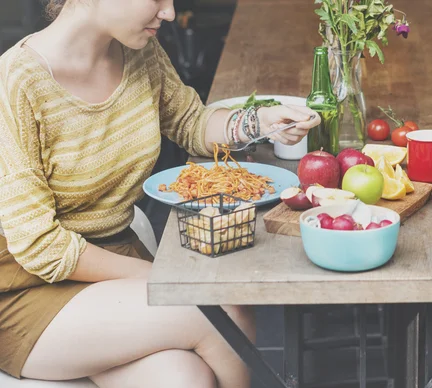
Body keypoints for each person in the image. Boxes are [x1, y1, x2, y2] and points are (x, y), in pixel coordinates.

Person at [0, 0, 320, 387]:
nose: (168, 12)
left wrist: (257, 121)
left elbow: (189, 122)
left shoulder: (137, 51)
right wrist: (166, 276)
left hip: (113, 263)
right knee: (221, 305)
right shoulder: (16, 84)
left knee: (184, 379)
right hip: (26, 289)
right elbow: (40, 249)